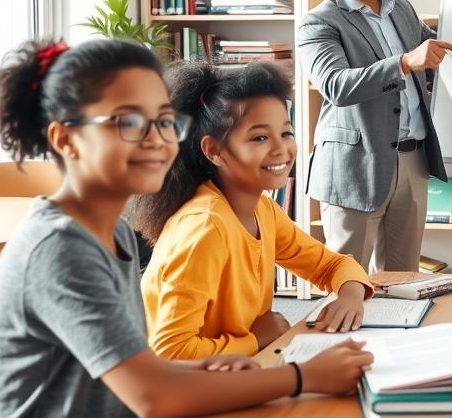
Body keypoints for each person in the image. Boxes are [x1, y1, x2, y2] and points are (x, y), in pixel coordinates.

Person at [0, 38, 371, 418]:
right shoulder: (59, 247)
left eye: (164, 120)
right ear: (65, 139)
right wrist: (305, 378)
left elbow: (138, 369)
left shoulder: (110, 236)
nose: (157, 139)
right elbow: (151, 394)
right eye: (127, 121)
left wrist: (211, 366)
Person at [130, 60, 373, 360]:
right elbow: (169, 353)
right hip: (177, 392)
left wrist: (350, 294)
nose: (280, 149)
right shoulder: (205, 228)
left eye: (286, 133)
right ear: (215, 151)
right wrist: (254, 339)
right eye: (259, 137)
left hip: (231, 373)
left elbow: (330, 265)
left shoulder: (262, 209)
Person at [298, 0, 452, 272]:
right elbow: (335, 85)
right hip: (356, 167)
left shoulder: (402, 9)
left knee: (403, 281)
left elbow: (429, 57)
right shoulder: (318, 22)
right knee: (347, 283)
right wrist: (405, 62)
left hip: (412, 161)